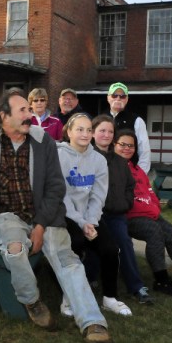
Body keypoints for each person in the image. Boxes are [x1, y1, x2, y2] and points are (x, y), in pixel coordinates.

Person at [0, 88, 113, 343]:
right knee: (14, 250)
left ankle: (94, 324)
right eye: (22, 110)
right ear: (4, 116)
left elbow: (56, 187)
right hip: (6, 215)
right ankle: (32, 300)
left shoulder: (42, 141)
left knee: (68, 262)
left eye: (28, 109)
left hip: (43, 215)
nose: (29, 115)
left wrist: (40, 225)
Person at [57, 113, 132, 318]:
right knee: (76, 244)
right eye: (79, 129)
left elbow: (99, 194)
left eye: (88, 130)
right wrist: (81, 223)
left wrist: (91, 221)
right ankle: (68, 297)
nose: (85, 133)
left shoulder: (98, 160)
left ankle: (110, 298)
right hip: (65, 215)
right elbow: (61, 196)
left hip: (89, 216)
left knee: (110, 249)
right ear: (69, 132)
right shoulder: (58, 156)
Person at [115, 129, 172, 296]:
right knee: (155, 232)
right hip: (130, 217)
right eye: (122, 144)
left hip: (149, 214)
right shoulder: (113, 166)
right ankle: (161, 280)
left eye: (131, 145)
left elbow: (149, 191)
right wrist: (144, 209)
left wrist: (154, 207)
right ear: (114, 145)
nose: (127, 148)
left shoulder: (137, 169)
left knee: (170, 229)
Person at [91, 115, 153, 305]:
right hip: (93, 214)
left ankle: (136, 286)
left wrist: (125, 203)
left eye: (110, 131)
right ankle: (89, 279)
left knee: (124, 244)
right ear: (93, 133)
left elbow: (129, 186)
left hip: (116, 213)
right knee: (93, 244)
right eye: (102, 130)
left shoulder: (119, 161)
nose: (106, 135)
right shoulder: (88, 157)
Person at [105, 82, 151, 173]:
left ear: (127, 99)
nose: (118, 98)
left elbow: (144, 150)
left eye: (122, 96)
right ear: (108, 98)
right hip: (104, 170)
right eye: (114, 95)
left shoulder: (137, 120)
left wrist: (141, 173)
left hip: (128, 172)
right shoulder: (100, 119)